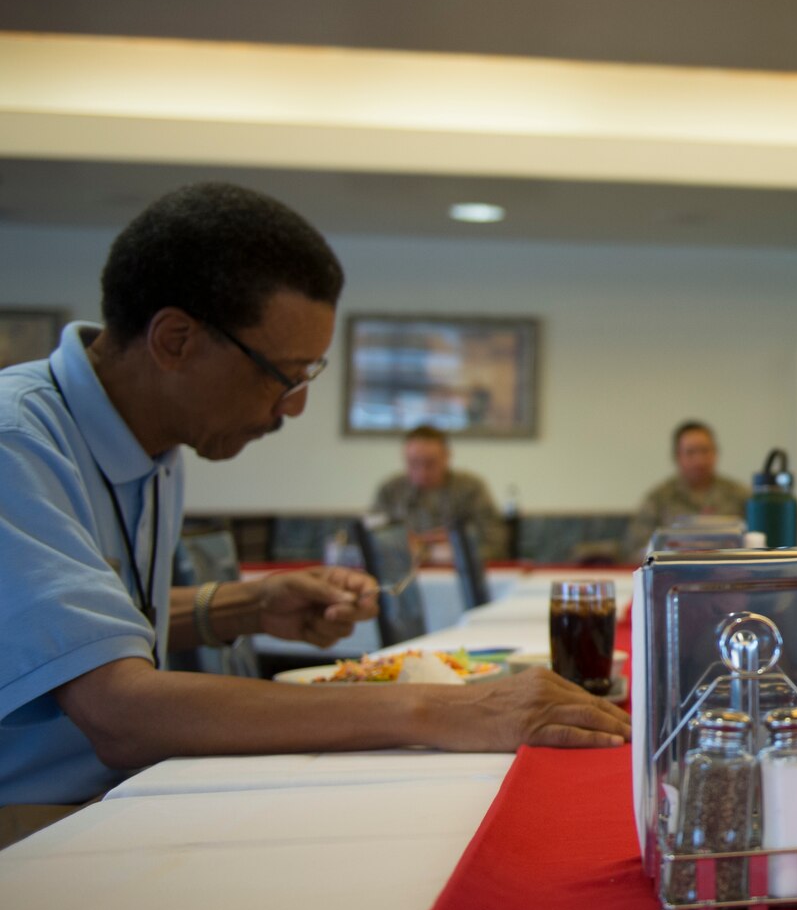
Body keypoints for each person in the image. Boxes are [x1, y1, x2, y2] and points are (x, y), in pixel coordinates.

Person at [0, 183, 628, 836]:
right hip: (35, 822)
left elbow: (92, 633)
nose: (292, 406)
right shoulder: (16, 444)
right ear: (175, 340)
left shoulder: (152, 446)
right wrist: (447, 708)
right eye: (283, 374)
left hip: (123, 794)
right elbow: (120, 712)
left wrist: (248, 605)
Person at [370, 425, 507, 563]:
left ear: (447, 457)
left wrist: (459, 548)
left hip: (455, 572)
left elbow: (496, 543)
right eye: (414, 463)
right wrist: (406, 545)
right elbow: (373, 540)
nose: (422, 472)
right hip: (404, 572)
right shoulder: (390, 490)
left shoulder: (471, 488)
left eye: (430, 463)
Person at [621, 420, 751, 558]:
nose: (699, 460)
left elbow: (759, 542)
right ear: (677, 457)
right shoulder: (658, 499)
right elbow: (633, 550)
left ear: (715, 453)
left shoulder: (739, 495)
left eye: (705, 451)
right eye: (690, 452)